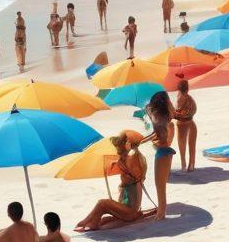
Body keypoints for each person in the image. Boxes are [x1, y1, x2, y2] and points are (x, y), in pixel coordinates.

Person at [75, 133, 146, 230]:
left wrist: (128, 149)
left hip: (130, 212)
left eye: (120, 151)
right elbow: (116, 167)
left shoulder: (133, 163)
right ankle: (91, 222)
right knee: (103, 218)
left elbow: (134, 158)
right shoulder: (124, 164)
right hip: (127, 209)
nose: (118, 154)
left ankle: (89, 222)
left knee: (102, 203)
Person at [137, 90, 175, 221]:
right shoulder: (165, 120)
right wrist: (143, 141)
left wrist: (144, 140)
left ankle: (161, 214)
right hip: (164, 153)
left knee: (160, 186)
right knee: (160, 185)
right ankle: (161, 212)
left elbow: (159, 137)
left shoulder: (163, 121)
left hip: (163, 153)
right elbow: (157, 135)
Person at [173, 79, 197, 172]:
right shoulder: (190, 98)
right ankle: (191, 165)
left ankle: (183, 165)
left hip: (182, 124)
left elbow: (178, 113)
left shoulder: (179, 98)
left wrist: (174, 114)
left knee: (182, 147)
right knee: (192, 146)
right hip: (191, 123)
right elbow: (194, 110)